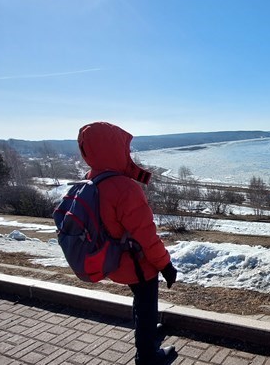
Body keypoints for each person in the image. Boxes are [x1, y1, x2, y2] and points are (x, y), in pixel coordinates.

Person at [77, 121, 178, 365]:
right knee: (145, 306)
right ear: (114, 149)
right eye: (124, 148)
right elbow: (146, 235)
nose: (128, 154)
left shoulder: (91, 181)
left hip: (112, 259)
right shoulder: (124, 188)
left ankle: (148, 335)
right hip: (136, 263)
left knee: (140, 302)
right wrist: (166, 265)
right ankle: (148, 356)